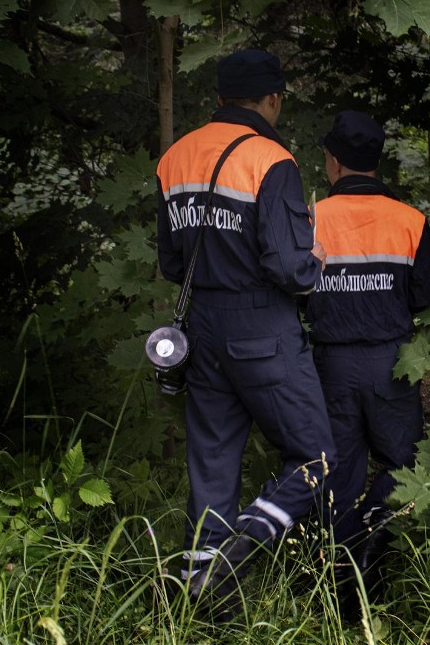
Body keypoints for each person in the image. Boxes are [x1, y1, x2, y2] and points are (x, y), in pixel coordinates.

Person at [155, 48, 336, 609]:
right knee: (318, 459)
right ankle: (246, 543)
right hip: (262, 326)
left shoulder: (176, 157)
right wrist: (316, 264)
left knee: (212, 466)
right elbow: (287, 264)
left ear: (218, 99)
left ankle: (204, 600)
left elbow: (169, 262)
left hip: (201, 328)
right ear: (273, 99)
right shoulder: (270, 159)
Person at [304, 110, 430, 613]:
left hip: (331, 366)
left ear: (334, 162)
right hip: (393, 362)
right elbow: (428, 291)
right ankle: (372, 549)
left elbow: (291, 286)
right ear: (376, 160)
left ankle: (339, 584)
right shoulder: (410, 220)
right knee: (402, 465)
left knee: (337, 472)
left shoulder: (311, 218)